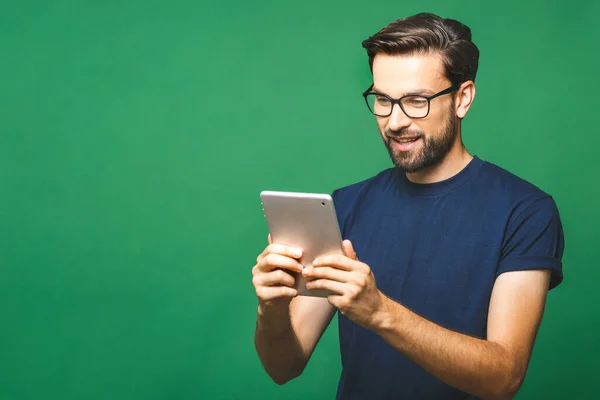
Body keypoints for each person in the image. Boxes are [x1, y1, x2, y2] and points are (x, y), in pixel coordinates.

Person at [251, 12, 564, 400]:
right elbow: (284, 367)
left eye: (416, 101)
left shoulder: (526, 211)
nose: (395, 121)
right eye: (383, 100)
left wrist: (380, 312)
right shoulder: (345, 205)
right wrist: (272, 308)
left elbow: (504, 378)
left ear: (462, 98)